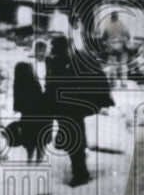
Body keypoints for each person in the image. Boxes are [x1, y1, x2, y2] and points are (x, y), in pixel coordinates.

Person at [45, 35, 112, 187]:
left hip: (73, 107)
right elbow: (51, 85)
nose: (54, 53)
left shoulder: (77, 60)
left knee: (75, 140)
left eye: (57, 50)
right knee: (71, 137)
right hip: (63, 107)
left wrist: (100, 101)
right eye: (54, 50)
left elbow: (97, 79)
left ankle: (81, 174)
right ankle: (66, 141)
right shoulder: (55, 61)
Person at [11, 62, 52, 163]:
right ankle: (39, 155)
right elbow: (41, 96)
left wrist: (17, 108)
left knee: (29, 135)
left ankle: (30, 155)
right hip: (39, 113)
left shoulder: (18, 82)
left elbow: (17, 97)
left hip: (28, 113)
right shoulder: (34, 81)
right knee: (39, 135)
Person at [99, 10, 131, 86]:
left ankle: (113, 83)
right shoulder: (122, 25)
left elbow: (103, 38)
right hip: (122, 47)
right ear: (117, 17)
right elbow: (128, 36)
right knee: (123, 65)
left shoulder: (108, 26)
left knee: (112, 66)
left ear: (111, 17)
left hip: (112, 48)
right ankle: (124, 83)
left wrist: (106, 44)